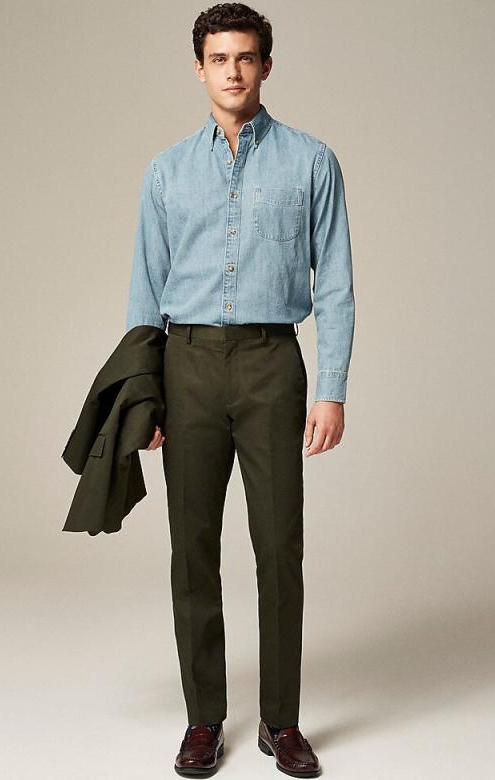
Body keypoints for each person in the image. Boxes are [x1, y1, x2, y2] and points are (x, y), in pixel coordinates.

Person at [125, 4, 355, 776]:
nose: (233, 71)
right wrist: (144, 396)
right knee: (192, 546)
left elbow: (337, 285)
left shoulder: (312, 162)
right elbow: (144, 291)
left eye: (246, 57)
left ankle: (281, 722)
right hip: (185, 365)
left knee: (279, 545)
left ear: (266, 66)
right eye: (219, 58)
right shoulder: (166, 172)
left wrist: (331, 388)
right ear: (200, 69)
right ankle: (203, 719)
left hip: (270, 364)